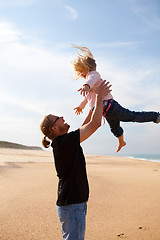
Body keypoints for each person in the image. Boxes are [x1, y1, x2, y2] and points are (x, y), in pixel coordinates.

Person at [40, 81, 111, 240]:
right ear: (54, 128)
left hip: (72, 205)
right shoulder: (63, 143)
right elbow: (95, 124)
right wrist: (99, 96)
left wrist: (93, 105)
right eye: (58, 118)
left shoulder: (64, 142)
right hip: (72, 206)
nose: (62, 117)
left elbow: (85, 125)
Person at [72, 44, 160, 152]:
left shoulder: (93, 75)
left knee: (133, 116)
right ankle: (122, 142)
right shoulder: (90, 83)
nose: (80, 74)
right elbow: (86, 98)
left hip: (111, 107)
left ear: (87, 68)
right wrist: (81, 107)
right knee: (114, 128)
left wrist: (86, 86)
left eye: (81, 71)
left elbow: (90, 80)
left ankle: (156, 116)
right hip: (105, 112)